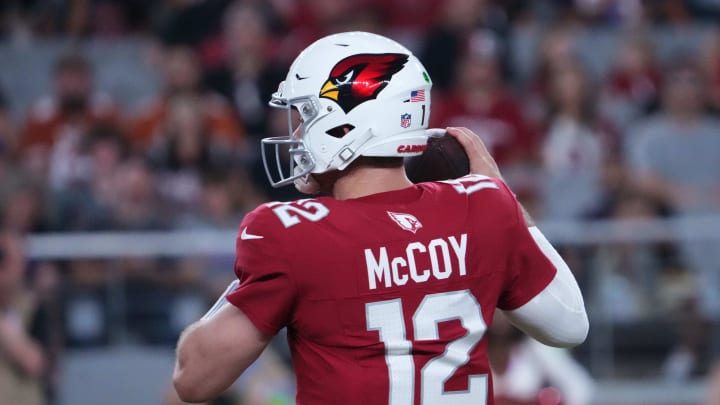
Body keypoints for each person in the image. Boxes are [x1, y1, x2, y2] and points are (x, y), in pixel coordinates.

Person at [173, 31, 588, 404]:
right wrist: (503, 192)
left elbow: (193, 379)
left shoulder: (289, 234)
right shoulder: (484, 205)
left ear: (347, 125)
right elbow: (569, 326)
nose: (296, 135)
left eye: (306, 118)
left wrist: (258, 275)